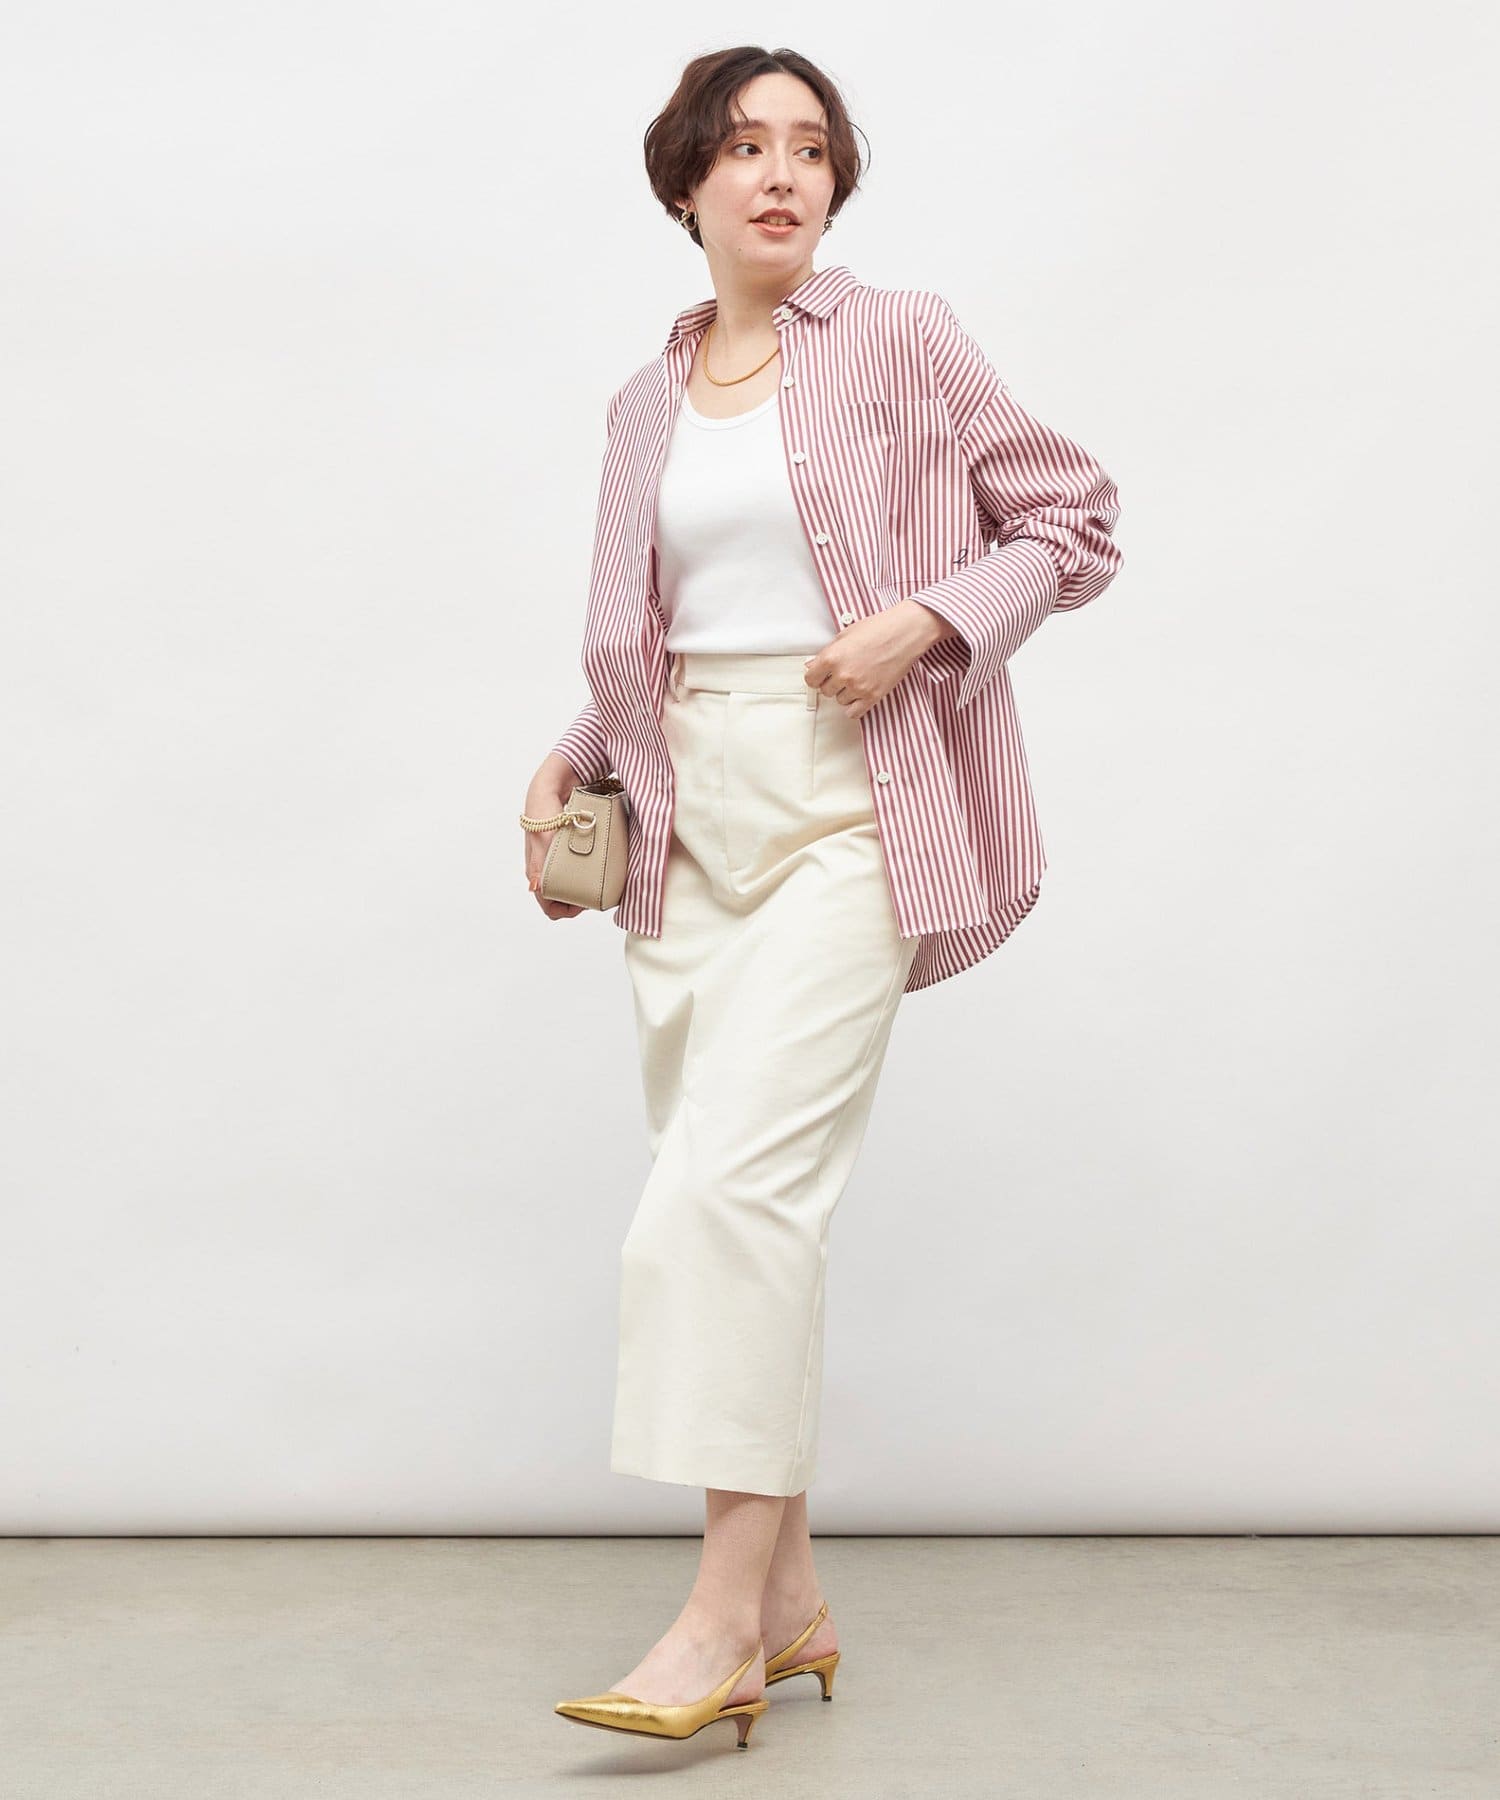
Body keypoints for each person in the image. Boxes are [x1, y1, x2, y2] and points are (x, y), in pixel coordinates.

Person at [524, 46, 1123, 1752]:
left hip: (857, 798)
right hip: (684, 817)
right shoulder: (642, 404)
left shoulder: (904, 338)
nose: (781, 173)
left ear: (835, 184)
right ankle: (790, 1600)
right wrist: (570, 758)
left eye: (808, 148)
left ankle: (717, 1623)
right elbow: (650, 634)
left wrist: (928, 621)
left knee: (727, 1199)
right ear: (687, 186)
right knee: (744, 1211)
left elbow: (1073, 522)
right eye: (743, 147)